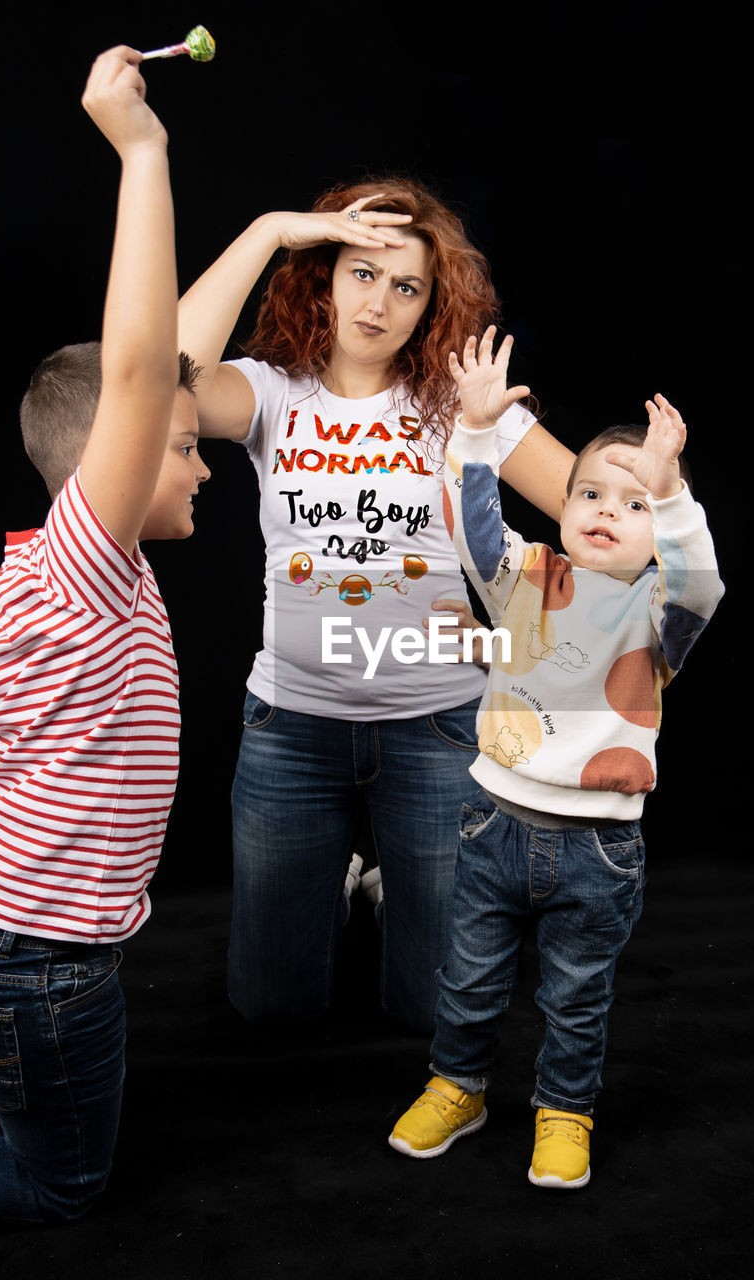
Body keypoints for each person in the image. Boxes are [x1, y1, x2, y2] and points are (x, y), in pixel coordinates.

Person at [178, 182, 575, 1032]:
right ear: (322, 276)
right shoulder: (270, 392)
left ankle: (385, 881)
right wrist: (267, 230)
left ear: (433, 306)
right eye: (361, 273)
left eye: (407, 287)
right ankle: (346, 884)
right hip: (292, 727)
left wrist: (654, 493)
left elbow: (586, 504)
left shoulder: (454, 405)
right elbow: (157, 377)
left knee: (432, 1012)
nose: (379, 302)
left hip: (435, 727)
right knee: (272, 1007)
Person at [388, 329, 724, 1186]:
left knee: (576, 999)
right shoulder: (527, 576)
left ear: (659, 529)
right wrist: (470, 431)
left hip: (597, 852)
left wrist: (673, 489)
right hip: (493, 824)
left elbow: (700, 580)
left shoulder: (660, 615)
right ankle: (456, 1086)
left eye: (633, 502)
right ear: (565, 507)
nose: (608, 509)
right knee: (467, 979)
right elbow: (472, 529)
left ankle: (564, 1109)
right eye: (591, 493)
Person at [0, 47, 210, 1221]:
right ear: (105, 470)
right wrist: (143, 149)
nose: (200, 462)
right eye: (184, 448)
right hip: (45, 965)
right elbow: (139, 372)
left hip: (23, 943)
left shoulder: (48, 578)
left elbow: (171, 364)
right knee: (61, 1180)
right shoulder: (85, 568)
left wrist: (271, 231)